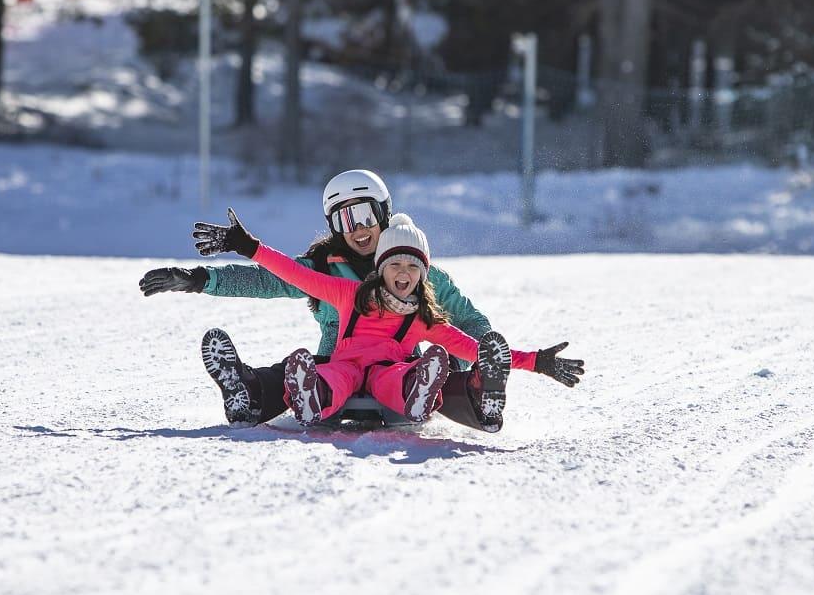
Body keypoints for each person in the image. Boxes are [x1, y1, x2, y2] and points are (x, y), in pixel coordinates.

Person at [139, 169, 583, 431]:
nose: (357, 226)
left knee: (444, 371)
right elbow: (271, 278)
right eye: (344, 217)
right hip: (338, 371)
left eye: (365, 213)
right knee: (290, 374)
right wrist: (198, 279)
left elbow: (466, 323)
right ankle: (248, 392)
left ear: (384, 214)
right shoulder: (329, 272)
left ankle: (478, 395)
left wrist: (492, 357)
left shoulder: (422, 275)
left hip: (403, 375)